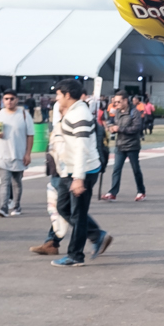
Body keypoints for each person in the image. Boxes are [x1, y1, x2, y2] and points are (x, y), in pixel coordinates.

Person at [51, 80, 107, 267]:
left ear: (68, 95)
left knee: (78, 214)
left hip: (82, 171)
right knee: (63, 208)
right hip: (70, 170)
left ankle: (75, 256)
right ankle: (96, 234)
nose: (56, 98)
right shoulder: (73, 111)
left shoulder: (80, 114)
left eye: (58, 94)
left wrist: (78, 178)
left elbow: (82, 149)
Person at [0, 90, 34, 216]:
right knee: (5, 182)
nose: (9, 101)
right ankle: (3, 207)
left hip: (19, 154)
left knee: (16, 182)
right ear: (3, 100)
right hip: (2, 154)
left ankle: (16, 205)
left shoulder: (25, 115)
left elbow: (30, 135)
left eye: (12, 98)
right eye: (6, 99)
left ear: (17, 100)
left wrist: (28, 154)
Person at [102, 90, 146, 202]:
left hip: (132, 145)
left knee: (136, 169)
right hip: (120, 145)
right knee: (116, 169)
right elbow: (111, 121)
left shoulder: (134, 112)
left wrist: (120, 129)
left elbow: (136, 128)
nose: (116, 104)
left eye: (118, 101)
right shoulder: (117, 112)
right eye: (115, 102)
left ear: (125, 100)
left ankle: (141, 191)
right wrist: (111, 127)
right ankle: (113, 192)